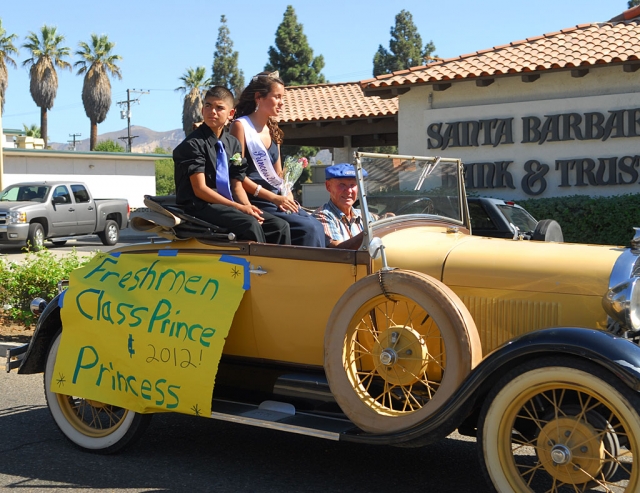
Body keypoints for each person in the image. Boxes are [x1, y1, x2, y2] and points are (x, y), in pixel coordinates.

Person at [173, 86, 290, 245]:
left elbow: (236, 184)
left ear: (231, 114)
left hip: (227, 204)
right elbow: (200, 189)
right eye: (208, 106)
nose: (212, 111)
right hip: (199, 206)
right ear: (202, 110)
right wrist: (239, 208)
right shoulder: (193, 144)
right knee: (250, 225)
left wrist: (249, 208)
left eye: (219, 107)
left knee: (279, 226)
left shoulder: (232, 143)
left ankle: (281, 269)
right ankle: (257, 268)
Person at [230, 71, 325, 248]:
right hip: (257, 199)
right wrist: (273, 198)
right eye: (277, 97)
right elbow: (238, 177)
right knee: (308, 229)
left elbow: (278, 174)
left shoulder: (273, 130)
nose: (282, 103)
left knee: (317, 225)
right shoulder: (240, 127)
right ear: (259, 97)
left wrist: (287, 193)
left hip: (277, 198)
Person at [313, 163, 371, 250]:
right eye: (342, 185)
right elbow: (340, 251)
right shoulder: (322, 216)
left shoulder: (363, 215)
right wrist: (372, 231)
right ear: (328, 187)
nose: (348, 191)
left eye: (353, 185)